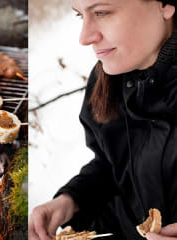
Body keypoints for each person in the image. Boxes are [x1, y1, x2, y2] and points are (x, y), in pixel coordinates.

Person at [28, 0, 177, 240]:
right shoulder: (107, 81)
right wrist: (72, 200)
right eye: (80, 16)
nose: (84, 38)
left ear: (165, 5)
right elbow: (114, 167)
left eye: (101, 12)